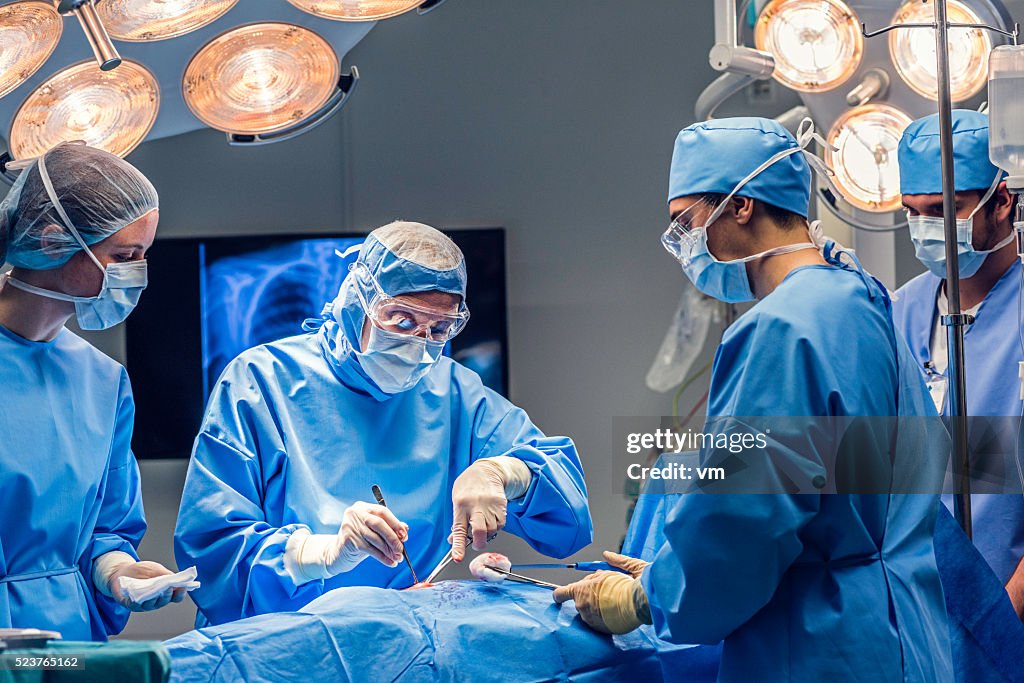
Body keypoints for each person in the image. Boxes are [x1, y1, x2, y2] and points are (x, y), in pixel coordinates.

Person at [553, 118, 952, 681]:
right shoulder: (863, 301)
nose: (684, 245)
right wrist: (670, 571)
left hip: (820, 647)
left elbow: (742, 518)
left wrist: (650, 597)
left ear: (741, 207)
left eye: (685, 223)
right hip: (906, 635)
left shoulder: (783, 329)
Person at [174, 221, 593, 626]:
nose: (418, 345)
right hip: (281, 647)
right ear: (359, 301)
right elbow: (211, 553)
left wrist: (505, 472)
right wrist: (320, 553)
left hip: (403, 646)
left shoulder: (454, 391)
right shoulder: (260, 381)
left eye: (440, 328)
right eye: (403, 320)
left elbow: (569, 518)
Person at [0, 142, 187, 641]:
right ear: (51, 239)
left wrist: (116, 572)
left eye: (143, 256)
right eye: (124, 256)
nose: (136, 273)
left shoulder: (102, 379)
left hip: (64, 645)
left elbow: (107, 525)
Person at [893, 110, 1024, 615]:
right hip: (914, 615)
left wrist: (1001, 620)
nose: (926, 226)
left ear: (1003, 201)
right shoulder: (897, 313)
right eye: (913, 211)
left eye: (945, 208)